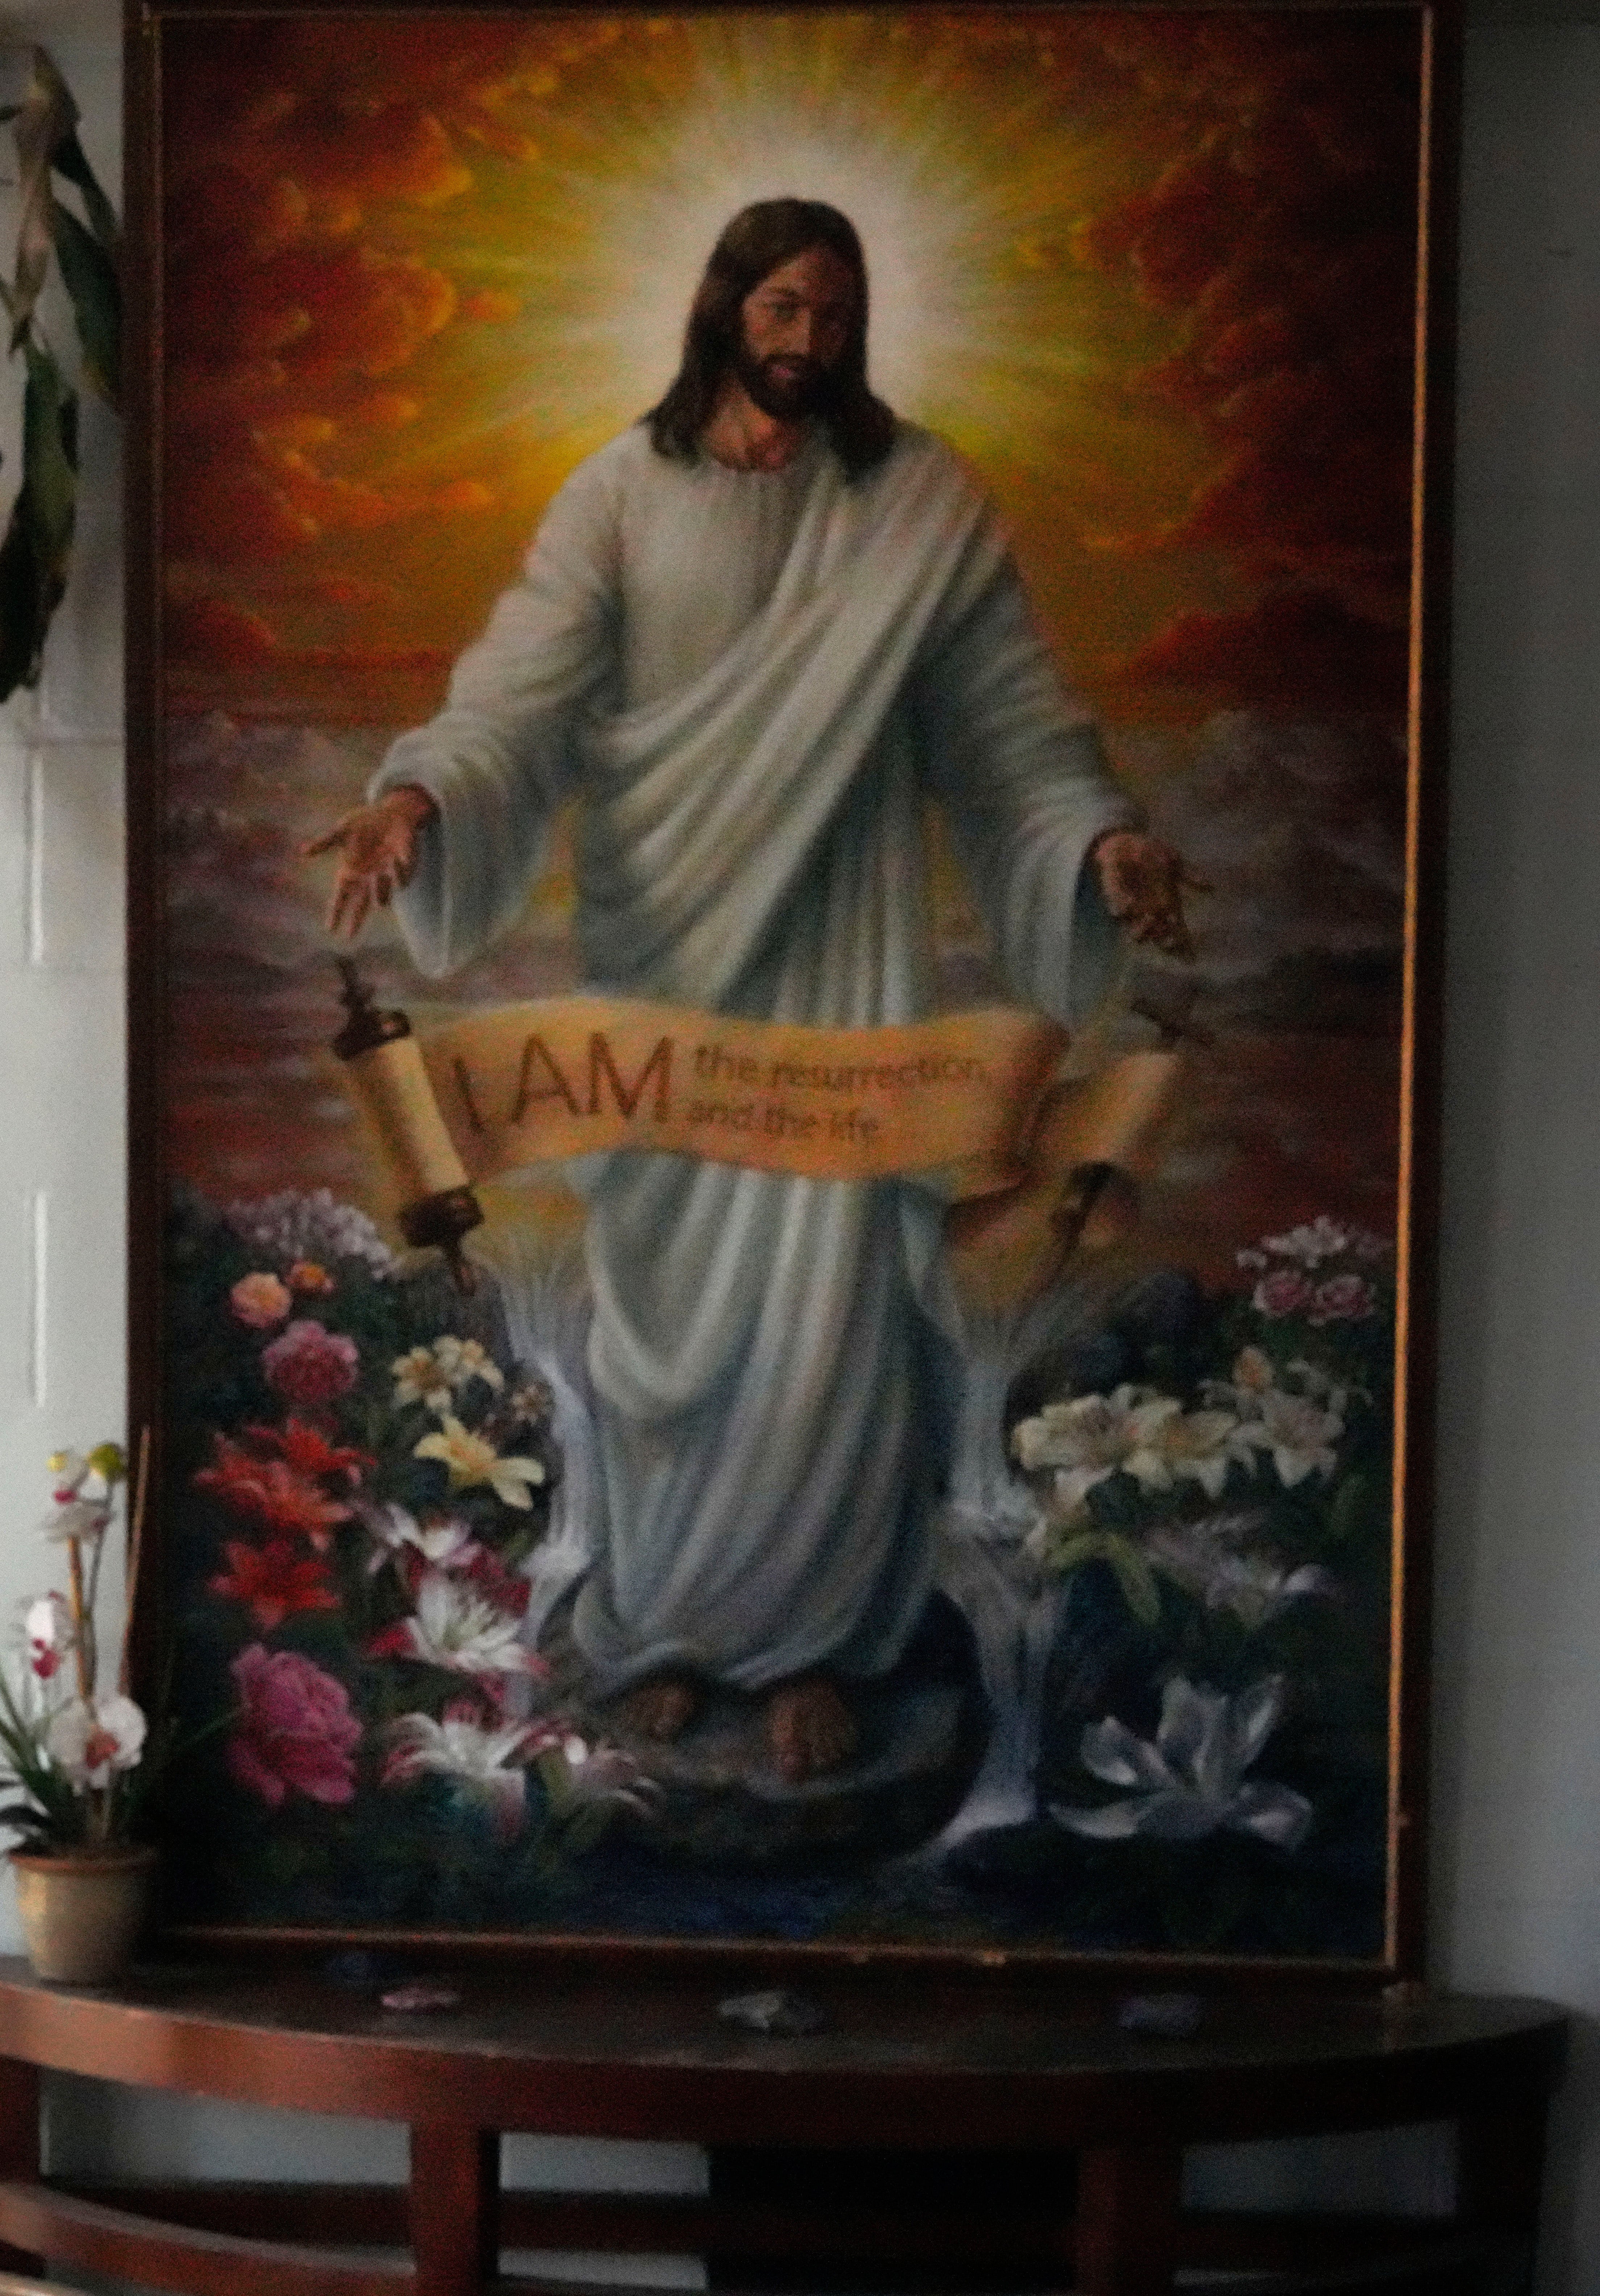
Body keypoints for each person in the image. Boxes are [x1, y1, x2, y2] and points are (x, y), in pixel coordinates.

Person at [309, 200, 1199, 1785]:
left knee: (835, 1312)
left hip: (848, 976)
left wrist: (1100, 839)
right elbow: (519, 695)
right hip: (663, 991)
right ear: (726, 308)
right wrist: (422, 800)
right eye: (784, 309)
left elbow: (1009, 729)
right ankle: (665, 1636)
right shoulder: (622, 496)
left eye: (835, 317)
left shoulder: (918, 504)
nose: (808, 344)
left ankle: (821, 1654)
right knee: (673, 1325)